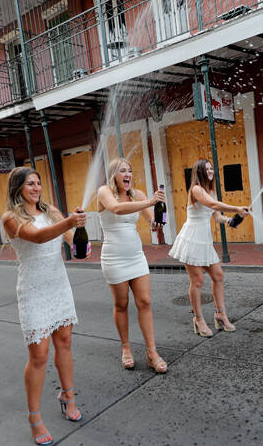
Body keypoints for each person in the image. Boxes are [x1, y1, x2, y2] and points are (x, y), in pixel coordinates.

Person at [2, 166, 88, 445]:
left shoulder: (50, 210)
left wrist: (80, 239)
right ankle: (34, 418)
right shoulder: (10, 218)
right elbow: (37, 237)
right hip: (34, 289)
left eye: (38, 183)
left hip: (58, 285)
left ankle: (68, 396)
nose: (36, 188)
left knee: (65, 344)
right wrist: (69, 223)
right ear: (18, 188)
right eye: (30, 184)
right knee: (38, 355)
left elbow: (70, 240)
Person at [97, 157, 168, 374]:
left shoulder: (137, 194)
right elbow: (117, 209)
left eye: (129, 170)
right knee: (121, 304)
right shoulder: (104, 192)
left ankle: (151, 352)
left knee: (145, 301)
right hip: (114, 258)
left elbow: (151, 221)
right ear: (113, 175)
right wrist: (150, 202)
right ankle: (126, 347)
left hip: (136, 255)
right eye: (121, 171)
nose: (127, 174)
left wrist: (157, 220)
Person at [168, 159, 249, 338]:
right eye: (207, 169)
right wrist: (236, 207)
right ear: (200, 172)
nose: (211, 171)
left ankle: (220, 314)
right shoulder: (196, 189)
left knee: (218, 276)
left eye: (212, 168)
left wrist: (230, 220)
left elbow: (217, 216)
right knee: (197, 281)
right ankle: (198, 319)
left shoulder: (210, 191)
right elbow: (212, 205)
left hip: (204, 240)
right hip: (191, 239)